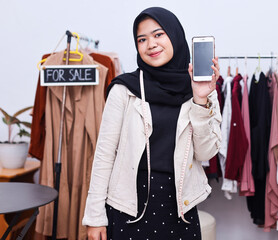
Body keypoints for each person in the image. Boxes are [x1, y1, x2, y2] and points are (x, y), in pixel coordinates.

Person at [82, 6, 222, 240]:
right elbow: (104, 155)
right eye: (142, 39)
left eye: (158, 35)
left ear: (175, 36)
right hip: (128, 207)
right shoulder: (124, 89)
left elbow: (206, 152)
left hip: (180, 208)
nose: (151, 44)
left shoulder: (202, 90)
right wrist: (94, 217)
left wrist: (200, 100)